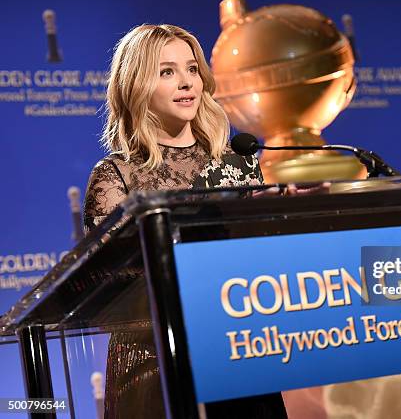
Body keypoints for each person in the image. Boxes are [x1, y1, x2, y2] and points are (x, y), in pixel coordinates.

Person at [83, 24, 288, 419]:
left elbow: (261, 265)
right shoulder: (116, 177)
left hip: (236, 348)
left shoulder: (237, 162)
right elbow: (109, 290)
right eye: (166, 72)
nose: (186, 82)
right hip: (157, 359)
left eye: (192, 69)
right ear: (137, 85)